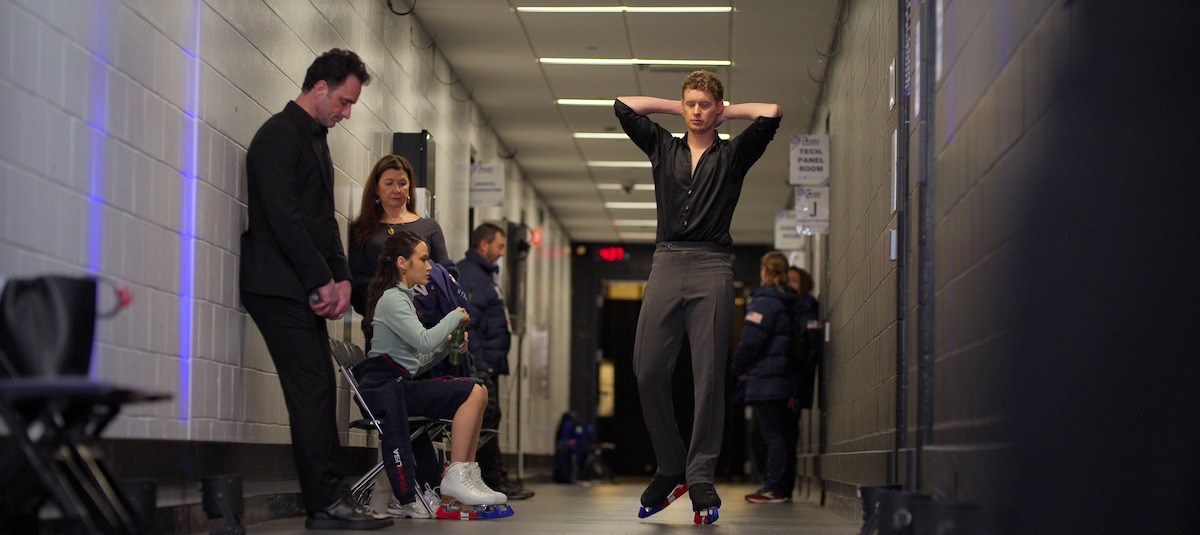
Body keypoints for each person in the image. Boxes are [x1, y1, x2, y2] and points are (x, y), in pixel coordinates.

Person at [616, 70, 781, 523]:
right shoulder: (662, 147)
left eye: (704, 104)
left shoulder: (733, 155)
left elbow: (771, 114)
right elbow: (623, 106)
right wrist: (676, 109)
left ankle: (701, 474)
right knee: (646, 368)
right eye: (690, 103)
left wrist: (728, 112)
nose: (696, 110)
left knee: (708, 375)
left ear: (718, 108)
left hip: (712, 267)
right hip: (666, 264)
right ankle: (671, 464)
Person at [238, 49, 391, 530]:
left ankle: (331, 498)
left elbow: (323, 219)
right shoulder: (278, 137)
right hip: (275, 286)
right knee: (311, 389)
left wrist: (342, 275)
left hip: (297, 284)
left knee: (320, 388)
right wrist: (319, 279)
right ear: (319, 88)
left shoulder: (316, 142)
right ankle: (325, 504)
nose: (346, 114)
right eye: (344, 102)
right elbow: (282, 220)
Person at [356, 231, 510, 519]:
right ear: (402, 263)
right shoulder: (393, 300)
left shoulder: (403, 298)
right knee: (473, 390)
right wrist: (454, 316)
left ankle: (466, 475)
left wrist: (447, 348)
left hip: (399, 385)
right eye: (424, 259)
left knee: (479, 390)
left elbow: (417, 361)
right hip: (387, 390)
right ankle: (456, 477)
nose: (430, 267)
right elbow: (424, 341)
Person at [455, 223, 534, 500]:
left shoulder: (484, 276)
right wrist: (479, 363)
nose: (502, 253)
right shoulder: (471, 276)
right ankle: (491, 479)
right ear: (484, 245)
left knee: (491, 420)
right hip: (482, 365)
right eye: (500, 246)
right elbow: (469, 323)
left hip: (490, 363)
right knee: (486, 421)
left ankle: (495, 478)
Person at [731, 253, 802, 504]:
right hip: (786, 378)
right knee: (780, 434)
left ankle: (774, 487)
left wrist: (736, 366)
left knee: (769, 435)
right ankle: (781, 487)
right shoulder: (791, 301)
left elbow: (751, 340)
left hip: (768, 379)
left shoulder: (765, 302)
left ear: (765, 272)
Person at [348, 154, 452, 315]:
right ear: (376, 187)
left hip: (425, 319)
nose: (396, 190)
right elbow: (357, 280)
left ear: (409, 187)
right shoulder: (360, 229)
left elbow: (446, 275)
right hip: (380, 318)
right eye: (389, 183)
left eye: (402, 183)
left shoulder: (429, 227)